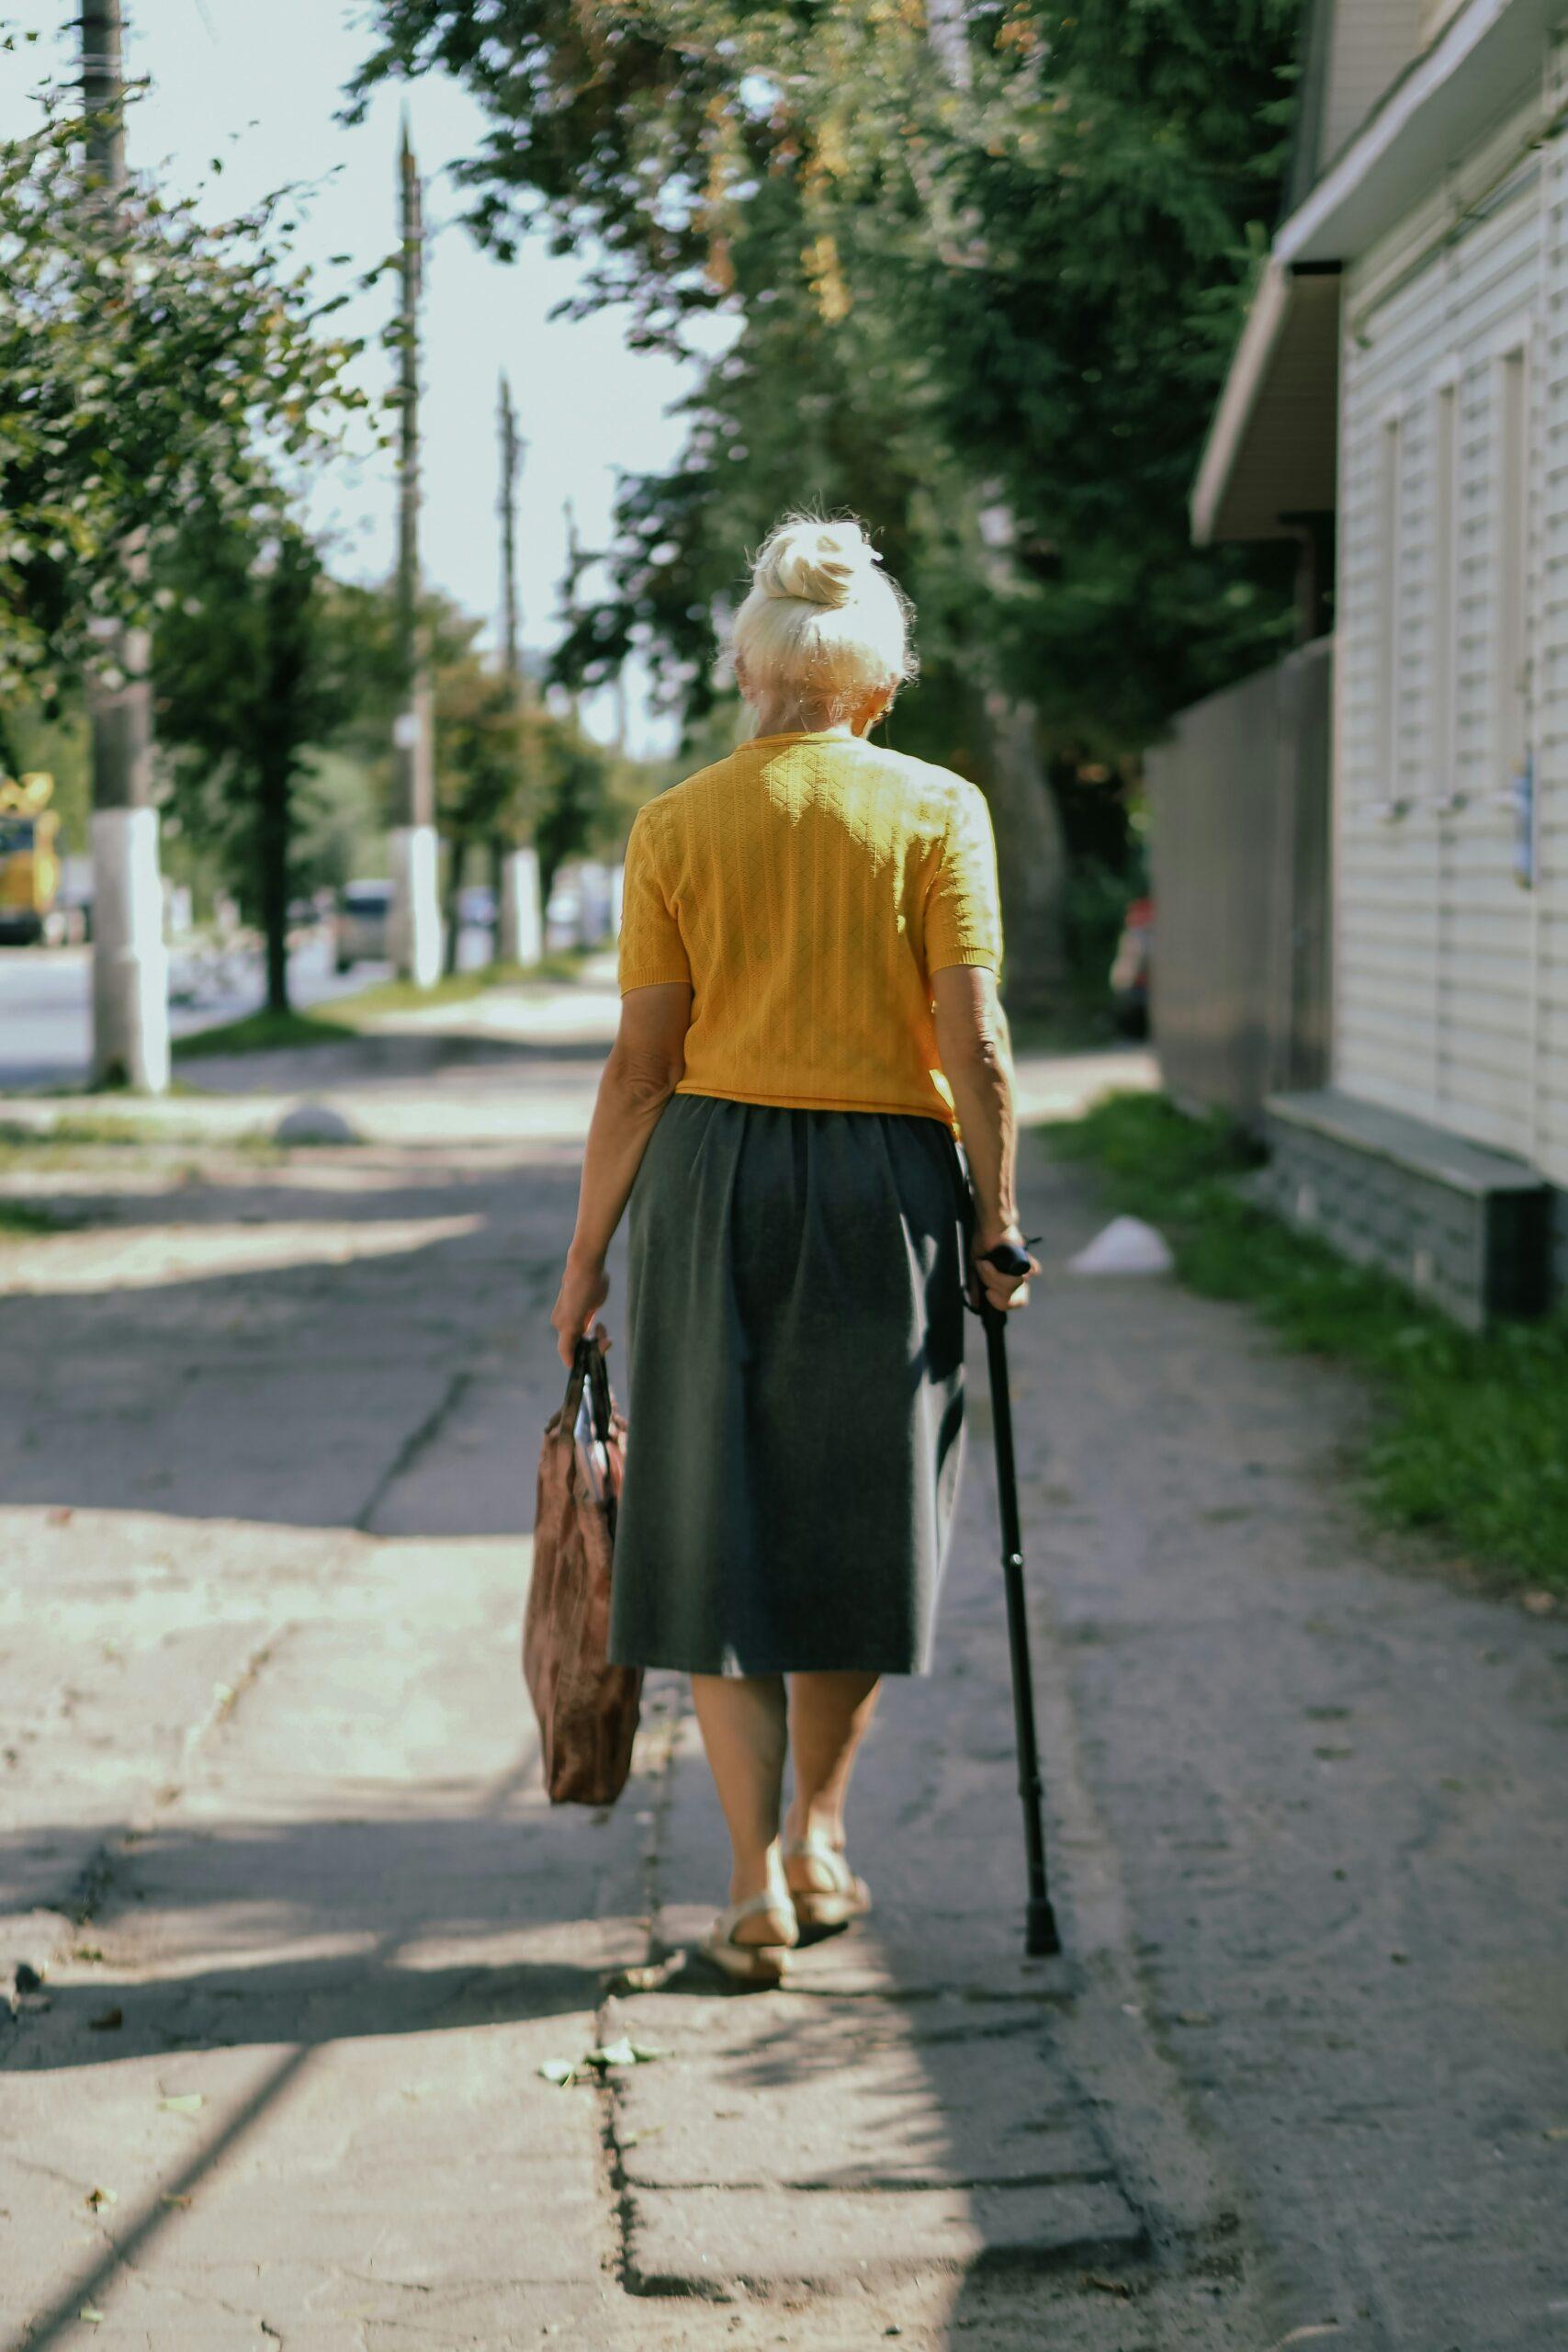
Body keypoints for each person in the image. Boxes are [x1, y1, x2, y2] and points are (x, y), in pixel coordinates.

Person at [551, 514, 1034, 1984]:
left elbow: (641, 1070)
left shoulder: (676, 824)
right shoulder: (936, 808)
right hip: (889, 1195)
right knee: (864, 1522)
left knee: (713, 1523)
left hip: (710, 1192)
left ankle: (756, 1877)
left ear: (745, 675)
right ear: (874, 690)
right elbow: (976, 1042)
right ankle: (821, 1834)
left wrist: (585, 1262)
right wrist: (998, 1219)